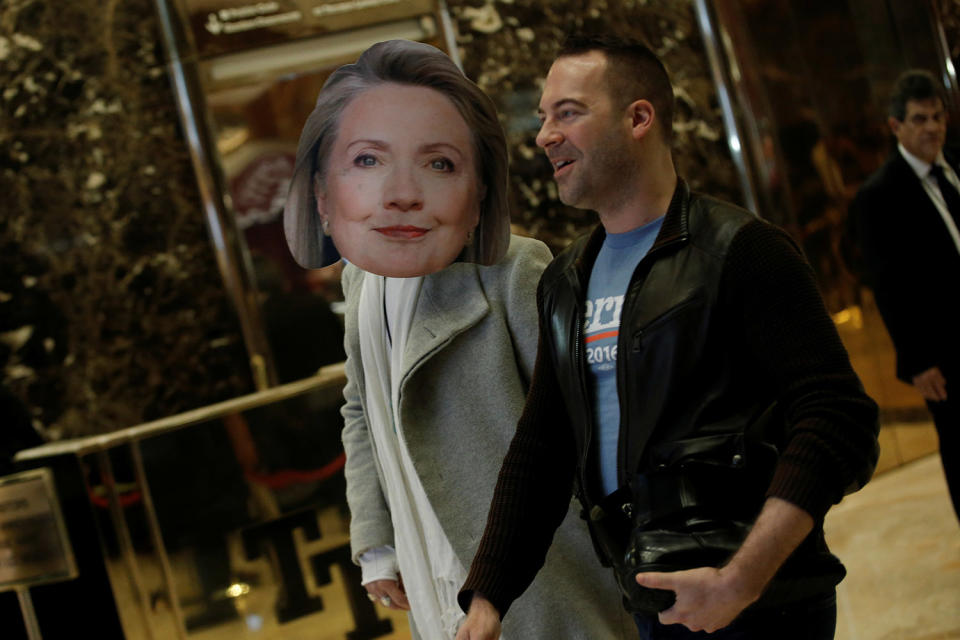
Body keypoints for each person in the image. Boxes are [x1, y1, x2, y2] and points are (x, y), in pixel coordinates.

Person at [456, 35, 880, 640]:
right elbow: (542, 447)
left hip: (761, 604)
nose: (544, 135)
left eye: (568, 112)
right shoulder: (565, 281)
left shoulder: (741, 250)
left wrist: (743, 577)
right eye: (544, 117)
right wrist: (489, 598)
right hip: (650, 598)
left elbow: (838, 416)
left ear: (639, 118)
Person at [282, 40, 631, 639]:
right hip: (427, 569)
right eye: (368, 160)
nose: (402, 190)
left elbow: (581, 428)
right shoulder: (362, 275)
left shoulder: (515, 270)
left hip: (538, 583)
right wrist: (375, 542)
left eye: (438, 163)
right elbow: (361, 410)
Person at [850, 69, 960, 523]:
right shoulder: (881, 195)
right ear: (896, 126)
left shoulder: (956, 165)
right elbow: (888, 284)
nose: (932, 127)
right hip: (944, 351)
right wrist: (917, 360)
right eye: (919, 119)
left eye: (937, 116)